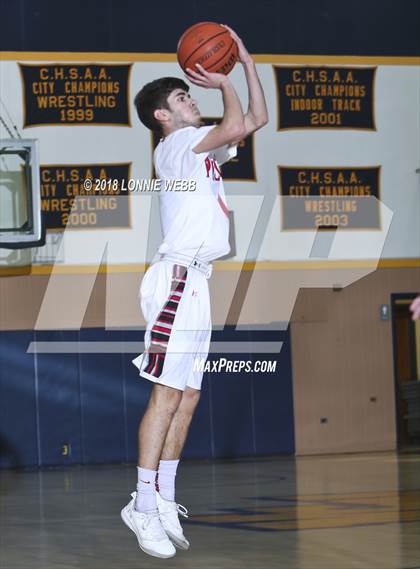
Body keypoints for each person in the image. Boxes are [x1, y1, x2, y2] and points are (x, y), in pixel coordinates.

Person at [121, 25, 268, 558]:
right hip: (177, 280)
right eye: (184, 96)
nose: (191, 100)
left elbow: (254, 122)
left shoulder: (199, 151)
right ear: (164, 115)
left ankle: (164, 496)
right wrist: (226, 80)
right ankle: (140, 502)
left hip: (197, 280)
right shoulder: (176, 144)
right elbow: (234, 119)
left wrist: (245, 63)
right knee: (166, 394)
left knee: (189, 395)